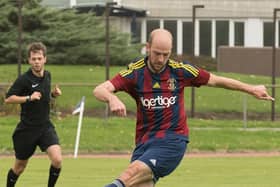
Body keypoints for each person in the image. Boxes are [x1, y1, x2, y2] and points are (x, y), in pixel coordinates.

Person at [93, 28, 274, 187]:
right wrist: (111, 99)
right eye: (157, 53)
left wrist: (251, 89)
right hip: (144, 144)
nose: (161, 59)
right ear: (147, 47)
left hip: (172, 141)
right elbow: (100, 89)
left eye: (166, 54)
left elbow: (217, 80)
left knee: (126, 177)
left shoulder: (180, 71)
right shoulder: (135, 73)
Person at [5, 42, 62, 187]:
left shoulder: (48, 75)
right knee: (19, 167)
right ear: (29, 60)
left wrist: (53, 95)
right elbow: (8, 98)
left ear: (45, 59)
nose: (36, 62)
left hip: (45, 127)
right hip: (27, 130)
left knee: (57, 160)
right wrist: (28, 98)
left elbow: (44, 97)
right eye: (33, 59)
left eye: (39, 58)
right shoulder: (24, 79)